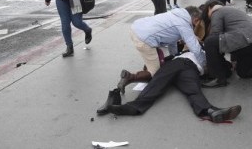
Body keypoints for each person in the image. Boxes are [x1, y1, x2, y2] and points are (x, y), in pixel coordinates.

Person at [96, 51, 242, 123]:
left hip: (192, 70)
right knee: (157, 83)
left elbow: (226, 68)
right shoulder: (183, 51)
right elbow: (158, 63)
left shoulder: (209, 53)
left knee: (193, 90)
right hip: (177, 63)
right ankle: (133, 107)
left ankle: (210, 111)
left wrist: (230, 67)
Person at [116, 6, 205, 94]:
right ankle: (129, 77)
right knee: (155, 73)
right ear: (196, 19)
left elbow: (172, 41)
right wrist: (203, 65)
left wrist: (176, 56)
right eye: (197, 22)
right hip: (145, 39)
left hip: (136, 28)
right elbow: (195, 48)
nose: (196, 25)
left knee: (155, 58)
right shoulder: (184, 24)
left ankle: (146, 68)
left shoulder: (176, 14)